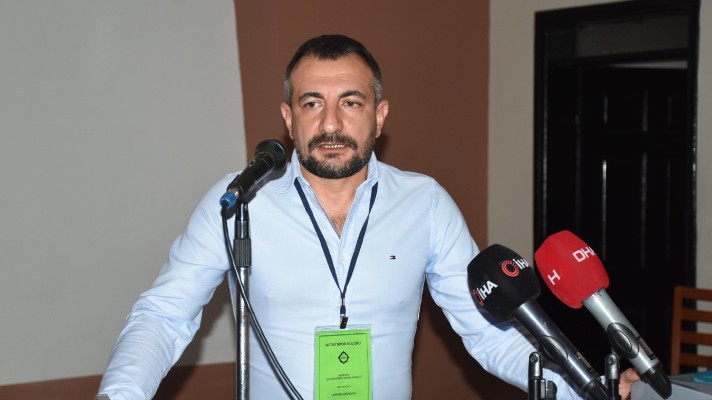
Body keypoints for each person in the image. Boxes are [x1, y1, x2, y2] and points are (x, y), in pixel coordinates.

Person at [96, 34, 639, 400]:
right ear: (288, 118)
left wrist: (587, 390)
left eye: (351, 102)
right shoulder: (240, 202)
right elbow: (163, 316)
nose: (331, 123)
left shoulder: (424, 203)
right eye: (312, 103)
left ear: (379, 116)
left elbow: (490, 333)